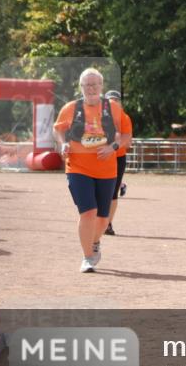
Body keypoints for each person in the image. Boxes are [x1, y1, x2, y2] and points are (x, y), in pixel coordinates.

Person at [53, 68, 130, 273]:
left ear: (101, 86)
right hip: (78, 167)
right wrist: (63, 144)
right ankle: (87, 257)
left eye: (95, 84)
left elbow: (126, 136)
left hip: (106, 170)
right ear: (81, 87)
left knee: (103, 218)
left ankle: (95, 242)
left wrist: (112, 148)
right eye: (87, 85)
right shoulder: (70, 108)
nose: (91, 89)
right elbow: (59, 128)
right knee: (88, 212)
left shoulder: (113, 109)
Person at [103, 90, 132, 235]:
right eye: (110, 100)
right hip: (101, 157)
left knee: (113, 192)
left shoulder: (124, 118)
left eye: (116, 100)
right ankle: (98, 220)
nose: (113, 103)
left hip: (118, 157)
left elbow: (128, 142)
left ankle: (108, 224)